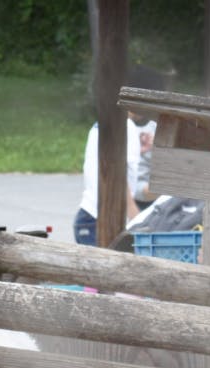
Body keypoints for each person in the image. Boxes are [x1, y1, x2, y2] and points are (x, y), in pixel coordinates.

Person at [74, 65, 165, 246]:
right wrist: (135, 217)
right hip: (101, 219)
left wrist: (139, 149)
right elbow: (118, 176)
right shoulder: (126, 128)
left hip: (89, 217)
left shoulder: (107, 124)